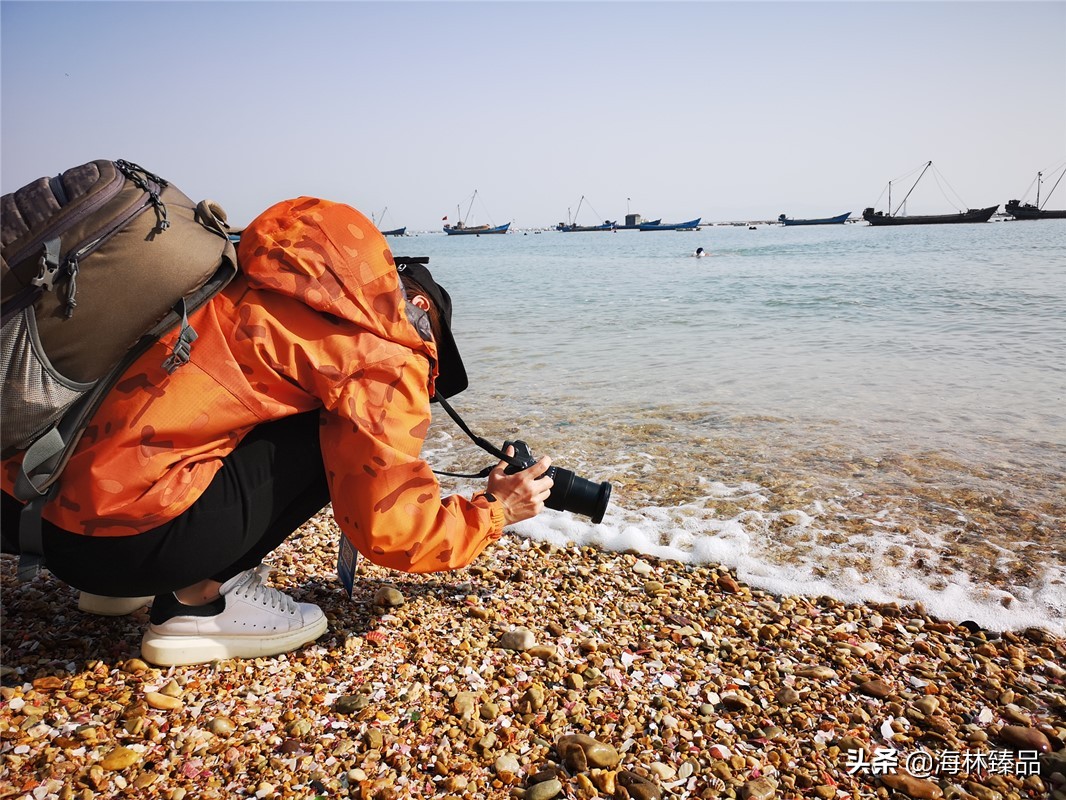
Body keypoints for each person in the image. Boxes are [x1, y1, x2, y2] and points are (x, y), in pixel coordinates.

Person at [1, 197, 553, 666]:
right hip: (120, 549)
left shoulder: (239, 269)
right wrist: (496, 510)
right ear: (420, 306)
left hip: (28, 509)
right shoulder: (379, 348)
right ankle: (197, 604)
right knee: (332, 433)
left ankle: (111, 594)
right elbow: (390, 531)